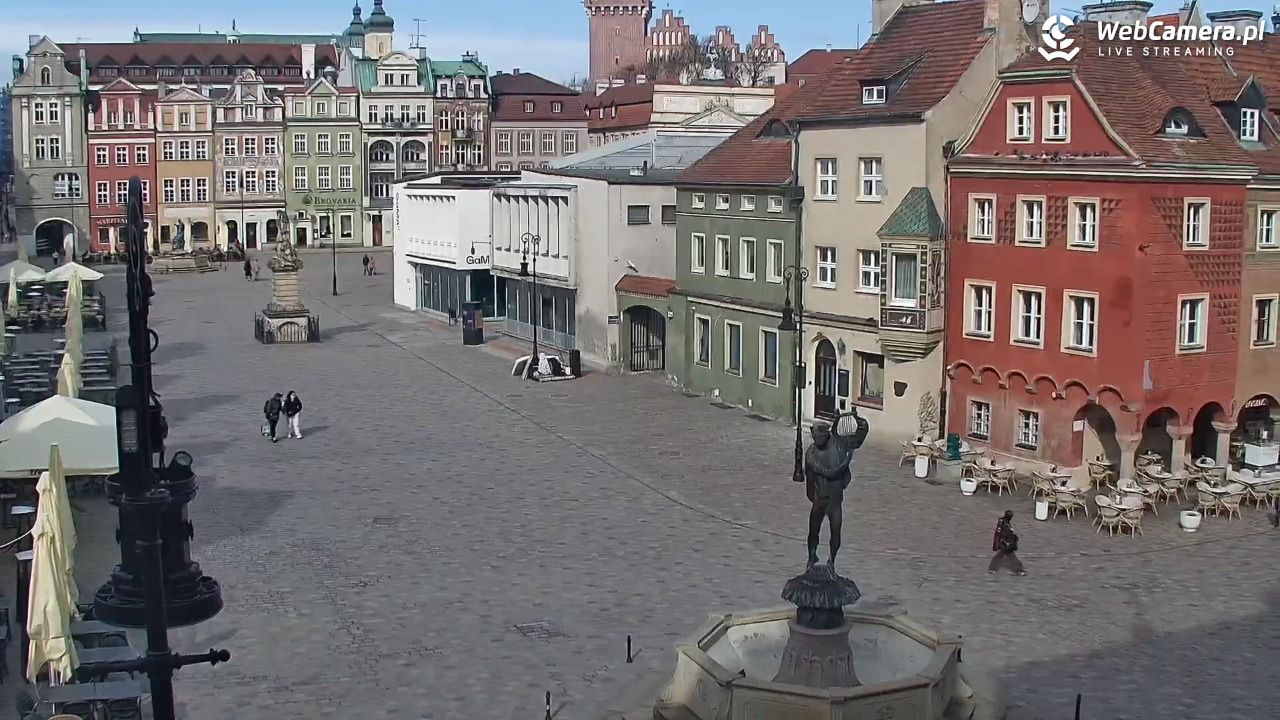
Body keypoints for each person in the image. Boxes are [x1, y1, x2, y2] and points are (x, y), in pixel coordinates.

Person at [803, 408, 870, 568]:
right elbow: (810, 476)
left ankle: (832, 561)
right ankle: (812, 557)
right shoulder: (811, 453)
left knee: (835, 532)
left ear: (826, 434)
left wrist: (857, 419)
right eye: (814, 437)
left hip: (834, 499)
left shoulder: (839, 445)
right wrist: (813, 495)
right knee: (813, 532)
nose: (816, 440)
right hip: (819, 498)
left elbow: (860, 435)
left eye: (819, 437)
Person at [988, 510, 1027, 575]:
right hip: (1006, 544)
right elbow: (1005, 534)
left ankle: (992, 569)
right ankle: (1019, 570)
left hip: (1006, 544)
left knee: (1001, 556)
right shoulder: (1005, 524)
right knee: (1011, 557)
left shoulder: (1004, 522)